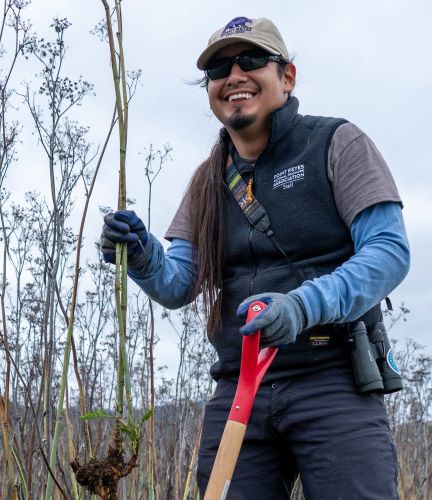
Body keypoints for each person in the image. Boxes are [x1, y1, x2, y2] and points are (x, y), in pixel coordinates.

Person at [101, 16, 410, 500]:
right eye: (220, 68)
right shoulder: (207, 181)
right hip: (239, 385)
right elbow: (178, 283)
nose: (234, 75)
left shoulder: (338, 144)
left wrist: (302, 307)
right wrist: (140, 256)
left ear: (287, 75)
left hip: (333, 378)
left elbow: (389, 252)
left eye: (251, 60)